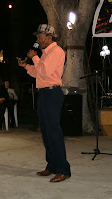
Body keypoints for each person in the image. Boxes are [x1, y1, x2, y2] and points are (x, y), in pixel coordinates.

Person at [17, 24, 71, 183]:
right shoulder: (45, 53)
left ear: (49, 37)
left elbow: (45, 72)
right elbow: (38, 73)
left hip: (53, 93)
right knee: (46, 132)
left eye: (40, 37)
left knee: (53, 131)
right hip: (43, 93)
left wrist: (34, 57)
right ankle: (52, 166)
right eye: (37, 37)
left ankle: (63, 170)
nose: (37, 40)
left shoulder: (57, 51)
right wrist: (26, 65)